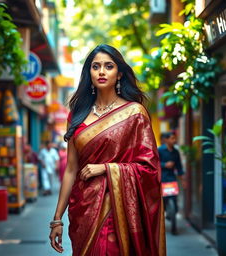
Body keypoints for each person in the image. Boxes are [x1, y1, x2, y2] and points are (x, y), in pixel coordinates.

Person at [49, 44, 166, 256]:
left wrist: (106, 168)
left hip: (118, 209)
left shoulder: (134, 114)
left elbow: (149, 168)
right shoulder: (77, 115)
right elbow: (71, 169)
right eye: (96, 67)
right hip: (83, 209)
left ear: (119, 73)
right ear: (89, 72)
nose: (102, 71)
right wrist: (57, 218)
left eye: (108, 66)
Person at [158, 131, 185, 235]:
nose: (174, 140)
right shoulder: (159, 150)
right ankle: (166, 212)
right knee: (163, 200)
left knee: (174, 198)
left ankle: (173, 215)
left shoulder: (176, 152)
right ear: (166, 139)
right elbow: (154, 163)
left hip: (172, 179)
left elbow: (179, 166)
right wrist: (165, 164)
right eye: (172, 138)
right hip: (162, 178)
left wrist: (183, 179)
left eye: (175, 138)